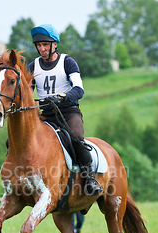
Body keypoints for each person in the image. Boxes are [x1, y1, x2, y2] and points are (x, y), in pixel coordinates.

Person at [27, 24, 102, 196]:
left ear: (54, 44)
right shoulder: (33, 66)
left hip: (68, 113)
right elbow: (28, 93)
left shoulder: (67, 62)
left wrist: (61, 97)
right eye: (39, 45)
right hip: (45, 115)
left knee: (77, 137)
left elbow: (79, 90)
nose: (42, 48)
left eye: (45, 45)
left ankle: (89, 178)